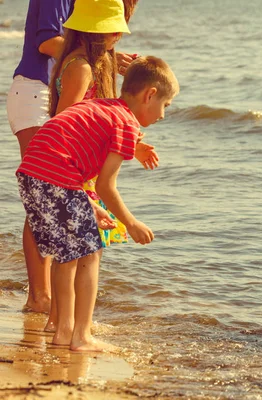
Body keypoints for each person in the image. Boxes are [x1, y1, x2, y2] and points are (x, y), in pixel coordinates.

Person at [16, 55, 179, 351]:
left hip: (32, 173)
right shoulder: (126, 123)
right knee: (90, 253)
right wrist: (131, 223)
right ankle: (81, 336)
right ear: (150, 95)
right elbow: (105, 185)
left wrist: (90, 206)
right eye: (165, 106)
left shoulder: (104, 107)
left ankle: (63, 330)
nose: (163, 115)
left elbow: (67, 158)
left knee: (67, 255)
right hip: (54, 177)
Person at [42, 0, 159, 333]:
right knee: (82, 250)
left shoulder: (94, 63)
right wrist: (74, 181)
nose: (116, 39)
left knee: (77, 249)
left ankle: (64, 321)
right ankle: (72, 324)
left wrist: (132, 146)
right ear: (98, 32)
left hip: (82, 168)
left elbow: (102, 119)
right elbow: (64, 123)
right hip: (74, 170)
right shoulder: (81, 67)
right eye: (112, 33)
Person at [6, 0, 73, 314]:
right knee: (42, 197)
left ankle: (43, 295)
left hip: (44, 94)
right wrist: (95, 55)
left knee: (49, 197)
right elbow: (47, 41)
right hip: (35, 93)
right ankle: (39, 298)